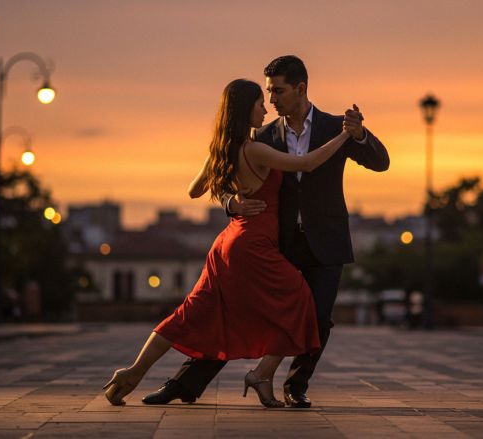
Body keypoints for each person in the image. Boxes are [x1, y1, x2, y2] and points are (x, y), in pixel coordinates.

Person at [143, 55, 390, 408]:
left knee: (318, 317)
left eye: (278, 91)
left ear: (300, 88)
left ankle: (295, 386)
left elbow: (381, 162)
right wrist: (231, 203)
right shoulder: (262, 135)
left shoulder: (338, 127)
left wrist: (360, 134)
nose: (271, 99)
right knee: (236, 309)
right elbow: (223, 179)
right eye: (268, 92)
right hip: (278, 240)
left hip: (326, 240)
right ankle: (185, 384)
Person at [103, 78, 354, 408]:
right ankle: (262, 374)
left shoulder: (220, 151)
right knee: (301, 301)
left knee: (190, 313)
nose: (265, 109)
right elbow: (307, 163)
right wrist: (345, 135)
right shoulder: (256, 149)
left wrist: (231, 199)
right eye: (259, 104)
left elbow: (194, 190)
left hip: (227, 244)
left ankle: (132, 372)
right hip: (253, 245)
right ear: (245, 109)